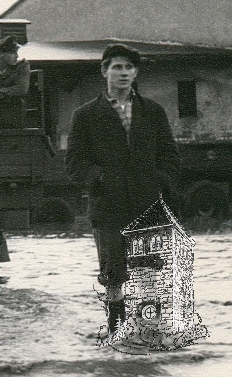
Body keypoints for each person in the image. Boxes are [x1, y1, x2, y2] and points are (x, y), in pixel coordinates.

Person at [65, 43, 179, 334]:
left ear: (136, 72)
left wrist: (159, 182)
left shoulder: (152, 111)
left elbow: (169, 155)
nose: (124, 73)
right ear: (104, 71)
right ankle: (115, 329)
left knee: (150, 269)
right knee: (113, 272)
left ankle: (150, 331)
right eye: (117, 67)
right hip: (108, 204)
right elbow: (75, 163)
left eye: (129, 67)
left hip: (147, 202)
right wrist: (100, 179)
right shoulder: (86, 115)